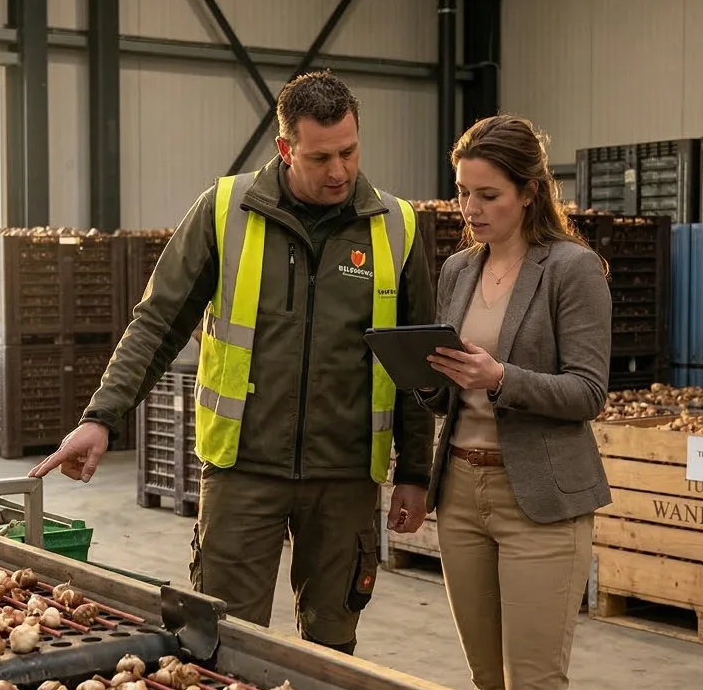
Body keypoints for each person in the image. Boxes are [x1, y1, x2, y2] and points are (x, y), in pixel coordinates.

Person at [29, 71, 437, 655]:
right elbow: (158, 322)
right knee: (222, 640)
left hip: (345, 476)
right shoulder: (227, 209)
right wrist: (102, 416)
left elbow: (414, 362)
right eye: (320, 157)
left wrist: (416, 473)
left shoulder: (394, 226)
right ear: (284, 148)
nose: (340, 171)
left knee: (331, 646)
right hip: (245, 468)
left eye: (349, 151)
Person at [416, 114, 611, 690]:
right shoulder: (458, 271)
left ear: (529, 191)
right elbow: (451, 391)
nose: (470, 209)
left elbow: (587, 392)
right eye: (462, 192)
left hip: (540, 503)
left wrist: (500, 378)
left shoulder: (571, 269)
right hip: (462, 498)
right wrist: (427, 380)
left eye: (488, 195)